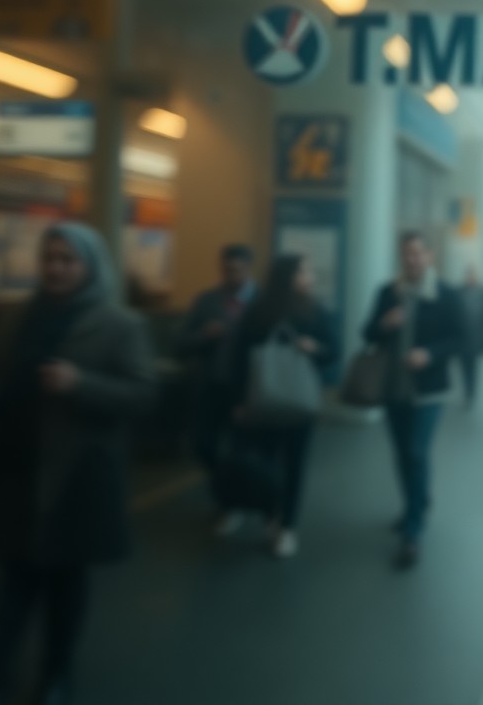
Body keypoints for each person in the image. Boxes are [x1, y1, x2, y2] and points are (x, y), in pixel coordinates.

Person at [0, 222, 155, 705]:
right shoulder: (14, 318)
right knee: (12, 583)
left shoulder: (118, 324)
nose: (57, 269)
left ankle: (56, 674)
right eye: (50, 259)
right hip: (16, 472)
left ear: (89, 265)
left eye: (68, 260)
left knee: (64, 587)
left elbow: (144, 395)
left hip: (75, 478)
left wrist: (81, 384)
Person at [226, 255, 337, 559]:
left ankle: (286, 524)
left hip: (287, 402)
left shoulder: (313, 309)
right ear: (287, 275)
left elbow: (333, 351)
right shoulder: (261, 311)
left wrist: (315, 348)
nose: (309, 276)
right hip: (269, 402)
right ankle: (273, 517)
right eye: (304, 271)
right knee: (270, 463)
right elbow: (239, 357)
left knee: (292, 464)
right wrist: (237, 401)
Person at [364, 232, 463, 569]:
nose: (413, 260)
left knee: (416, 451)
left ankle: (412, 533)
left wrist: (430, 354)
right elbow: (367, 334)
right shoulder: (387, 293)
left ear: (430, 256)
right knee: (402, 454)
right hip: (394, 386)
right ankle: (413, 505)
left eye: (419, 254)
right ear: (400, 258)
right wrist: (385, 323)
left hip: (429, 390)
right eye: (407, 255)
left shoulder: (446, 294)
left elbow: (460, 339)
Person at [176, 244, 256, 534]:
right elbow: (180, 344)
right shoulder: (207, 301)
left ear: (248, 268)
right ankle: (227, 492)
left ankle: (231, 505)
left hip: (247, 390)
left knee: (239, 451)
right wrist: (204, 336)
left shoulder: (260, 302)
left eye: (236, 270)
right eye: (225, 269)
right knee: (203, 444)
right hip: (211, 387)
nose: (230, 275)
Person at [457, 265, 483, 408]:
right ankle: (467, 391)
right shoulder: (459, 292)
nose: (471, 278)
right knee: (464, 366)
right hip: (462, 337)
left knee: (473, 366)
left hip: (476, 336)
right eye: (469, 275)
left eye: (473, 275)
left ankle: (471, 392)